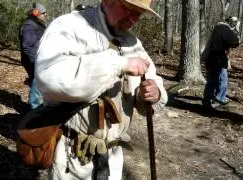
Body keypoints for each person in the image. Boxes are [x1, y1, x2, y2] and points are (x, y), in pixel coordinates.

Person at [35, 0, 168, 179]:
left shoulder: (132, 43)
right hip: (74, 156)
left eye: (139, 14)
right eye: (128, 9)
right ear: (107, 1)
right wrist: (118, 64)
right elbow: (47, 78)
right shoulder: (68, 27)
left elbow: (151, 79)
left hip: (113, 156)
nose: (133, 19)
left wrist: (154, 93)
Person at [202, 16, 240, 108]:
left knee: (211, 80)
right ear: (231, 23)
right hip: (218, 58)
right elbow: (235, 41)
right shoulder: (224, 28)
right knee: (223, 79)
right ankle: (220, 97)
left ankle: (208, 99)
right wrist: (237, 30)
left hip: (210, 58)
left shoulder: (218, 28)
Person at [19, 2, 47, 110]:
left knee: (38, 84)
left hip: (39, 59)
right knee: (37, 84)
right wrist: (38, 61)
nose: (45, 15)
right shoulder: (29, 26)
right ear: (37, 13)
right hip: (34, 60)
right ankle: (33, 109)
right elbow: (27, 47)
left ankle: (39, 107)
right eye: (44, 13)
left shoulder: (37, 23)